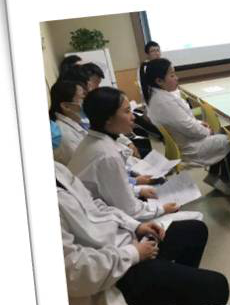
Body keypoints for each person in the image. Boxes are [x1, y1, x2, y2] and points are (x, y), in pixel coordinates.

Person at [55, 161, 229, 305]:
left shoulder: (58, 169)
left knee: (196, 230)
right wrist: (134, 253)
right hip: (113, 276)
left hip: (128, 242)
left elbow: (96, 205)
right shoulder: (106, 156)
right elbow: (73, 274)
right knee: (218, 288)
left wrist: (136, 227)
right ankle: (175, 290)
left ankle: (178, 294)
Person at [68, 87, 179, 220]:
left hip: (100, 208)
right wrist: (162, 209)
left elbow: (113, 188)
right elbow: (130, 210)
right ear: (108, 118)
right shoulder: (107, 155)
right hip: (102, 219)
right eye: (127, 111)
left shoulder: (92, 141)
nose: (133, 117)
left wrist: (138, 190)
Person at [140, 58, 230, 195]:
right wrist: (206, 131)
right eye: (172, 75)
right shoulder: (164, 102)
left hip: (185, 140)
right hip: (191, 147)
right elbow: (189, 127)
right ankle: (224, 180)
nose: (176, 78)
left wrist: (200, 124)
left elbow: (181, 121)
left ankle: (215, 175)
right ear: (159, 81)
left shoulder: (156, 95)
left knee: (219, 137)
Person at [49, 81, 89, 165]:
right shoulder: (65, 136)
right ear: (66, 106)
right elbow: (82, 166)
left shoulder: (78, 124)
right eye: (82, 98)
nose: (87, 102)